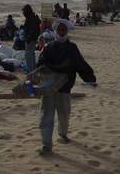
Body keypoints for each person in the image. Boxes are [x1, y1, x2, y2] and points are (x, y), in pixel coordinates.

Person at [33, 18, 96, 154]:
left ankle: (62, 134)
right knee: (46, 117)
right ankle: (46, 145)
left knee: (64, 115)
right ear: (55, 31)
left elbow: (80, 64)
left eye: (64, 30)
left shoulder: (72, 48)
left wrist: (90, 78)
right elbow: (40, 65)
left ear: (67, 31)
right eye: (59, 30)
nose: (61, 32)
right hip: (48, 89)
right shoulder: (49, 48)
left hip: (65, 88)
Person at [22, 4, 41, 71]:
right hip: (31, 39)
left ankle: (31, 70)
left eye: (24, 11)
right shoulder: (31, 17)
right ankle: (33, 70)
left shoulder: (31, 18)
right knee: (31, 55)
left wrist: (28, 38)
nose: (23, 13)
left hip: (30, 40)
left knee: (29, 55)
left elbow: (33, 30)